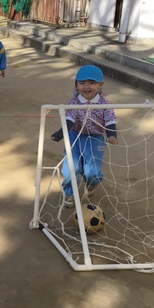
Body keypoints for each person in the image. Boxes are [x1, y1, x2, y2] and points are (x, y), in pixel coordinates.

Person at [50, 65, 118, 208]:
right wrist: (60, 133)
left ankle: (92, 183)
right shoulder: (74, 102)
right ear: (76, 85)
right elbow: (69, 120)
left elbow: (110, 121)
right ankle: (69, 192)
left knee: (92, 172)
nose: (86, 87)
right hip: (74, 136)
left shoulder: (104, 103)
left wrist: (112, 135)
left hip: (95, 138)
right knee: (71, 167)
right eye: (82, 83)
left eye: (92, 83)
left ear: (100, 85)